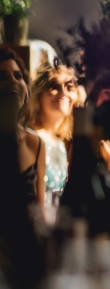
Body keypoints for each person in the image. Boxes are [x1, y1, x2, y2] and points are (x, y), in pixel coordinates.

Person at [0, 49, 45, 208]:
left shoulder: (36, 143)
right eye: (2, 76)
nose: (13, 81)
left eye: (18, 76)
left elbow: (40, 212)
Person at [27, 63, 79, 193]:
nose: (63, 92)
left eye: (69, 87)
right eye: (54, 86)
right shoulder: (28, 138)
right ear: (39, 96)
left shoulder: (61, 144)